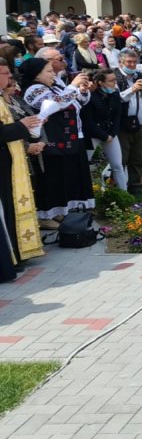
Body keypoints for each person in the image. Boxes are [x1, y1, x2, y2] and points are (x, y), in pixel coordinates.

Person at [20, 57, 95, 225]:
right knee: (52, 178)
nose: (52, 74)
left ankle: (62, 211)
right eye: (48, 71)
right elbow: (57, 103)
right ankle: (46, 216)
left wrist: (82, 90)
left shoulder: (54, 85)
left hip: (68, 136)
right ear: (36, 75)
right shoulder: (33, 89)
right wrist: (73, 86)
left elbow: (75, 102)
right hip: (50, 139)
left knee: (67, 176)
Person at [0, 58, 44, 280]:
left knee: (11, 210)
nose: (9, 77)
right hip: (3, 165)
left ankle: (15, 254)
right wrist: (22, 126)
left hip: (9, 162)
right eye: (4, 73)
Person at [81, 68, 127, 191]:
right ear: (100, 82)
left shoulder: (115, 94)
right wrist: (103, 136)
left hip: (110, 133)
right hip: (92, 134)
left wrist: (112, 134)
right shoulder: (90, 95)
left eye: (115, 80)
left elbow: (117, 116)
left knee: (117, 165)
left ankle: (124, 194)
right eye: (111, 81)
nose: (115, 83)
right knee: (84, 165)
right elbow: (88, 120)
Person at [115, 49, 142, 188]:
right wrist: (132, 89)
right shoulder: (115, 76)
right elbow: (115, 99)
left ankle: (135, 184)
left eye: (134, 62)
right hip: (123, 124)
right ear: (121, 62)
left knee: (138, 156)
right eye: (128, 62)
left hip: (141, 123)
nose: (132, 65)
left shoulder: (139, 75)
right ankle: (119, 187)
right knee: (123, 157)